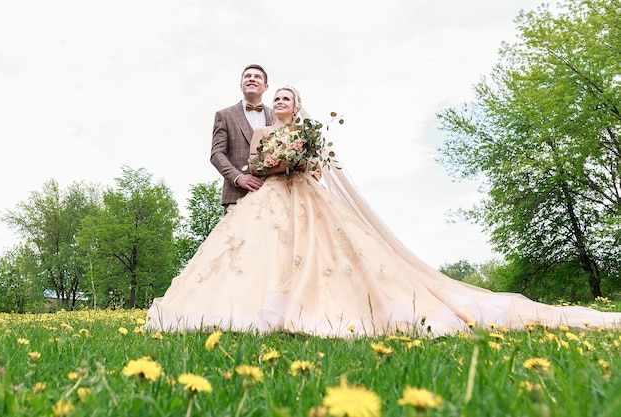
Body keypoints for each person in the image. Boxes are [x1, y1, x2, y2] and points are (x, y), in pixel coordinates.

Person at [145, 86, 621, 337]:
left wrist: (297, 159)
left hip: (304, 196)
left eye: (286, 98)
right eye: (277, 99)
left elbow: (316, 163)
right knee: (255, 255)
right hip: (267, 197)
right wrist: (268, 164)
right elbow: (251, 163)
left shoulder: (307, 129)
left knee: (325, 253)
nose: (280, 103)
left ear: (295, 103)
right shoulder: (263, 130)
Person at [210, 64, 275, 213]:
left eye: (257, 77)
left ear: (266, 86)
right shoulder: (224, 115)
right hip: (236, 196)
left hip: (272, 196)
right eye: (248, 76)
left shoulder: (277, 117)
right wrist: (238, 177)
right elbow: (216, 154)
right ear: (241, 85)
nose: (252, 79)